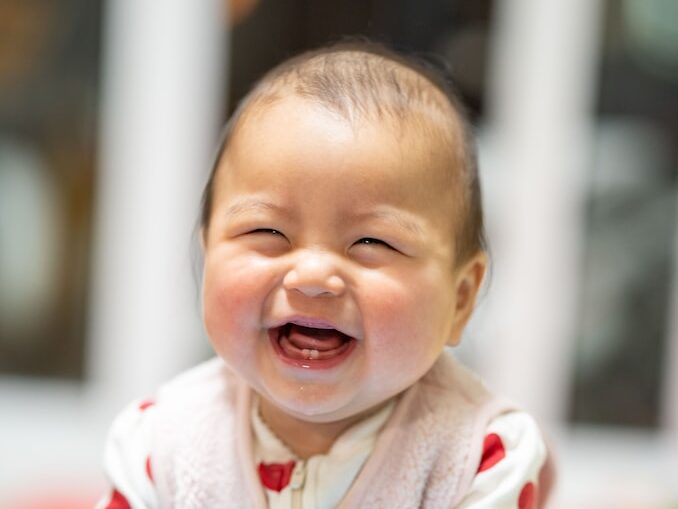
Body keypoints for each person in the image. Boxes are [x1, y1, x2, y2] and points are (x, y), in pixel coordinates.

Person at [95, 41, 553, 509]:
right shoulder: (163, 443)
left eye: (373, 242)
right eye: (267, 230)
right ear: (208, 251)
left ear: (460, 299)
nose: (311, 275)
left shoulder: (479, 457)